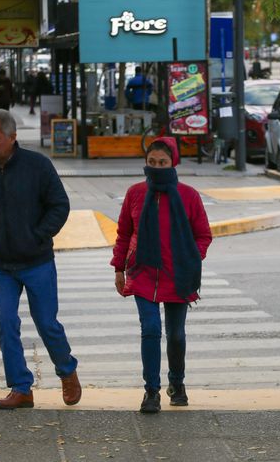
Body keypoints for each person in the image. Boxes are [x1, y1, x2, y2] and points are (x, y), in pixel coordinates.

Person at [0, 109, 81, 409]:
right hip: (1, 265)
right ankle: (21, 388)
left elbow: (59, 205)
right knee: (6, 320)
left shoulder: (38, 166)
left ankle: (67, 370)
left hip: (37, 261)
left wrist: (38, 234)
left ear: (12, 138)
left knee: (46, 323)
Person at [110, 137, 212, 413]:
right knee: (151, 329)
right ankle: (151, 391)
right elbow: (123, 234)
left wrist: (191, 259)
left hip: (178, 275)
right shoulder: (135, 193)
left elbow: (203, 235)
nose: (156, 167)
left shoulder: (188, 195)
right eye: (152, 162)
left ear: (173, 163)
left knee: (176, 335)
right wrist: (119, 268)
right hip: (142, 273)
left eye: (162, 163)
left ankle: (176, 384)